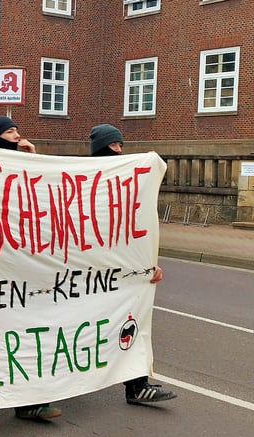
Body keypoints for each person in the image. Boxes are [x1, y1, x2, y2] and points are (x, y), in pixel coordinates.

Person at [0, 115, 64, 422]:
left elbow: (43, 195)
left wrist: (32, 157)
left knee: (25, 335)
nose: (17, 135)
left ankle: (30, 401)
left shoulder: (24, 162)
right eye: (10, 131)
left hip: (21, 269)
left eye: (17, 130)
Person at [88, 123, 177, 404]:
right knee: (82, 326)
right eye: (116, 144)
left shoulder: (129, 182)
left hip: (122, 274)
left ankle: (137, 385)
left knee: (130, 325)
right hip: (87, 273)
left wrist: (149, 264)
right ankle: (60, 381)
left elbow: (136, 229)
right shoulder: (85, 179)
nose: (120, 149)